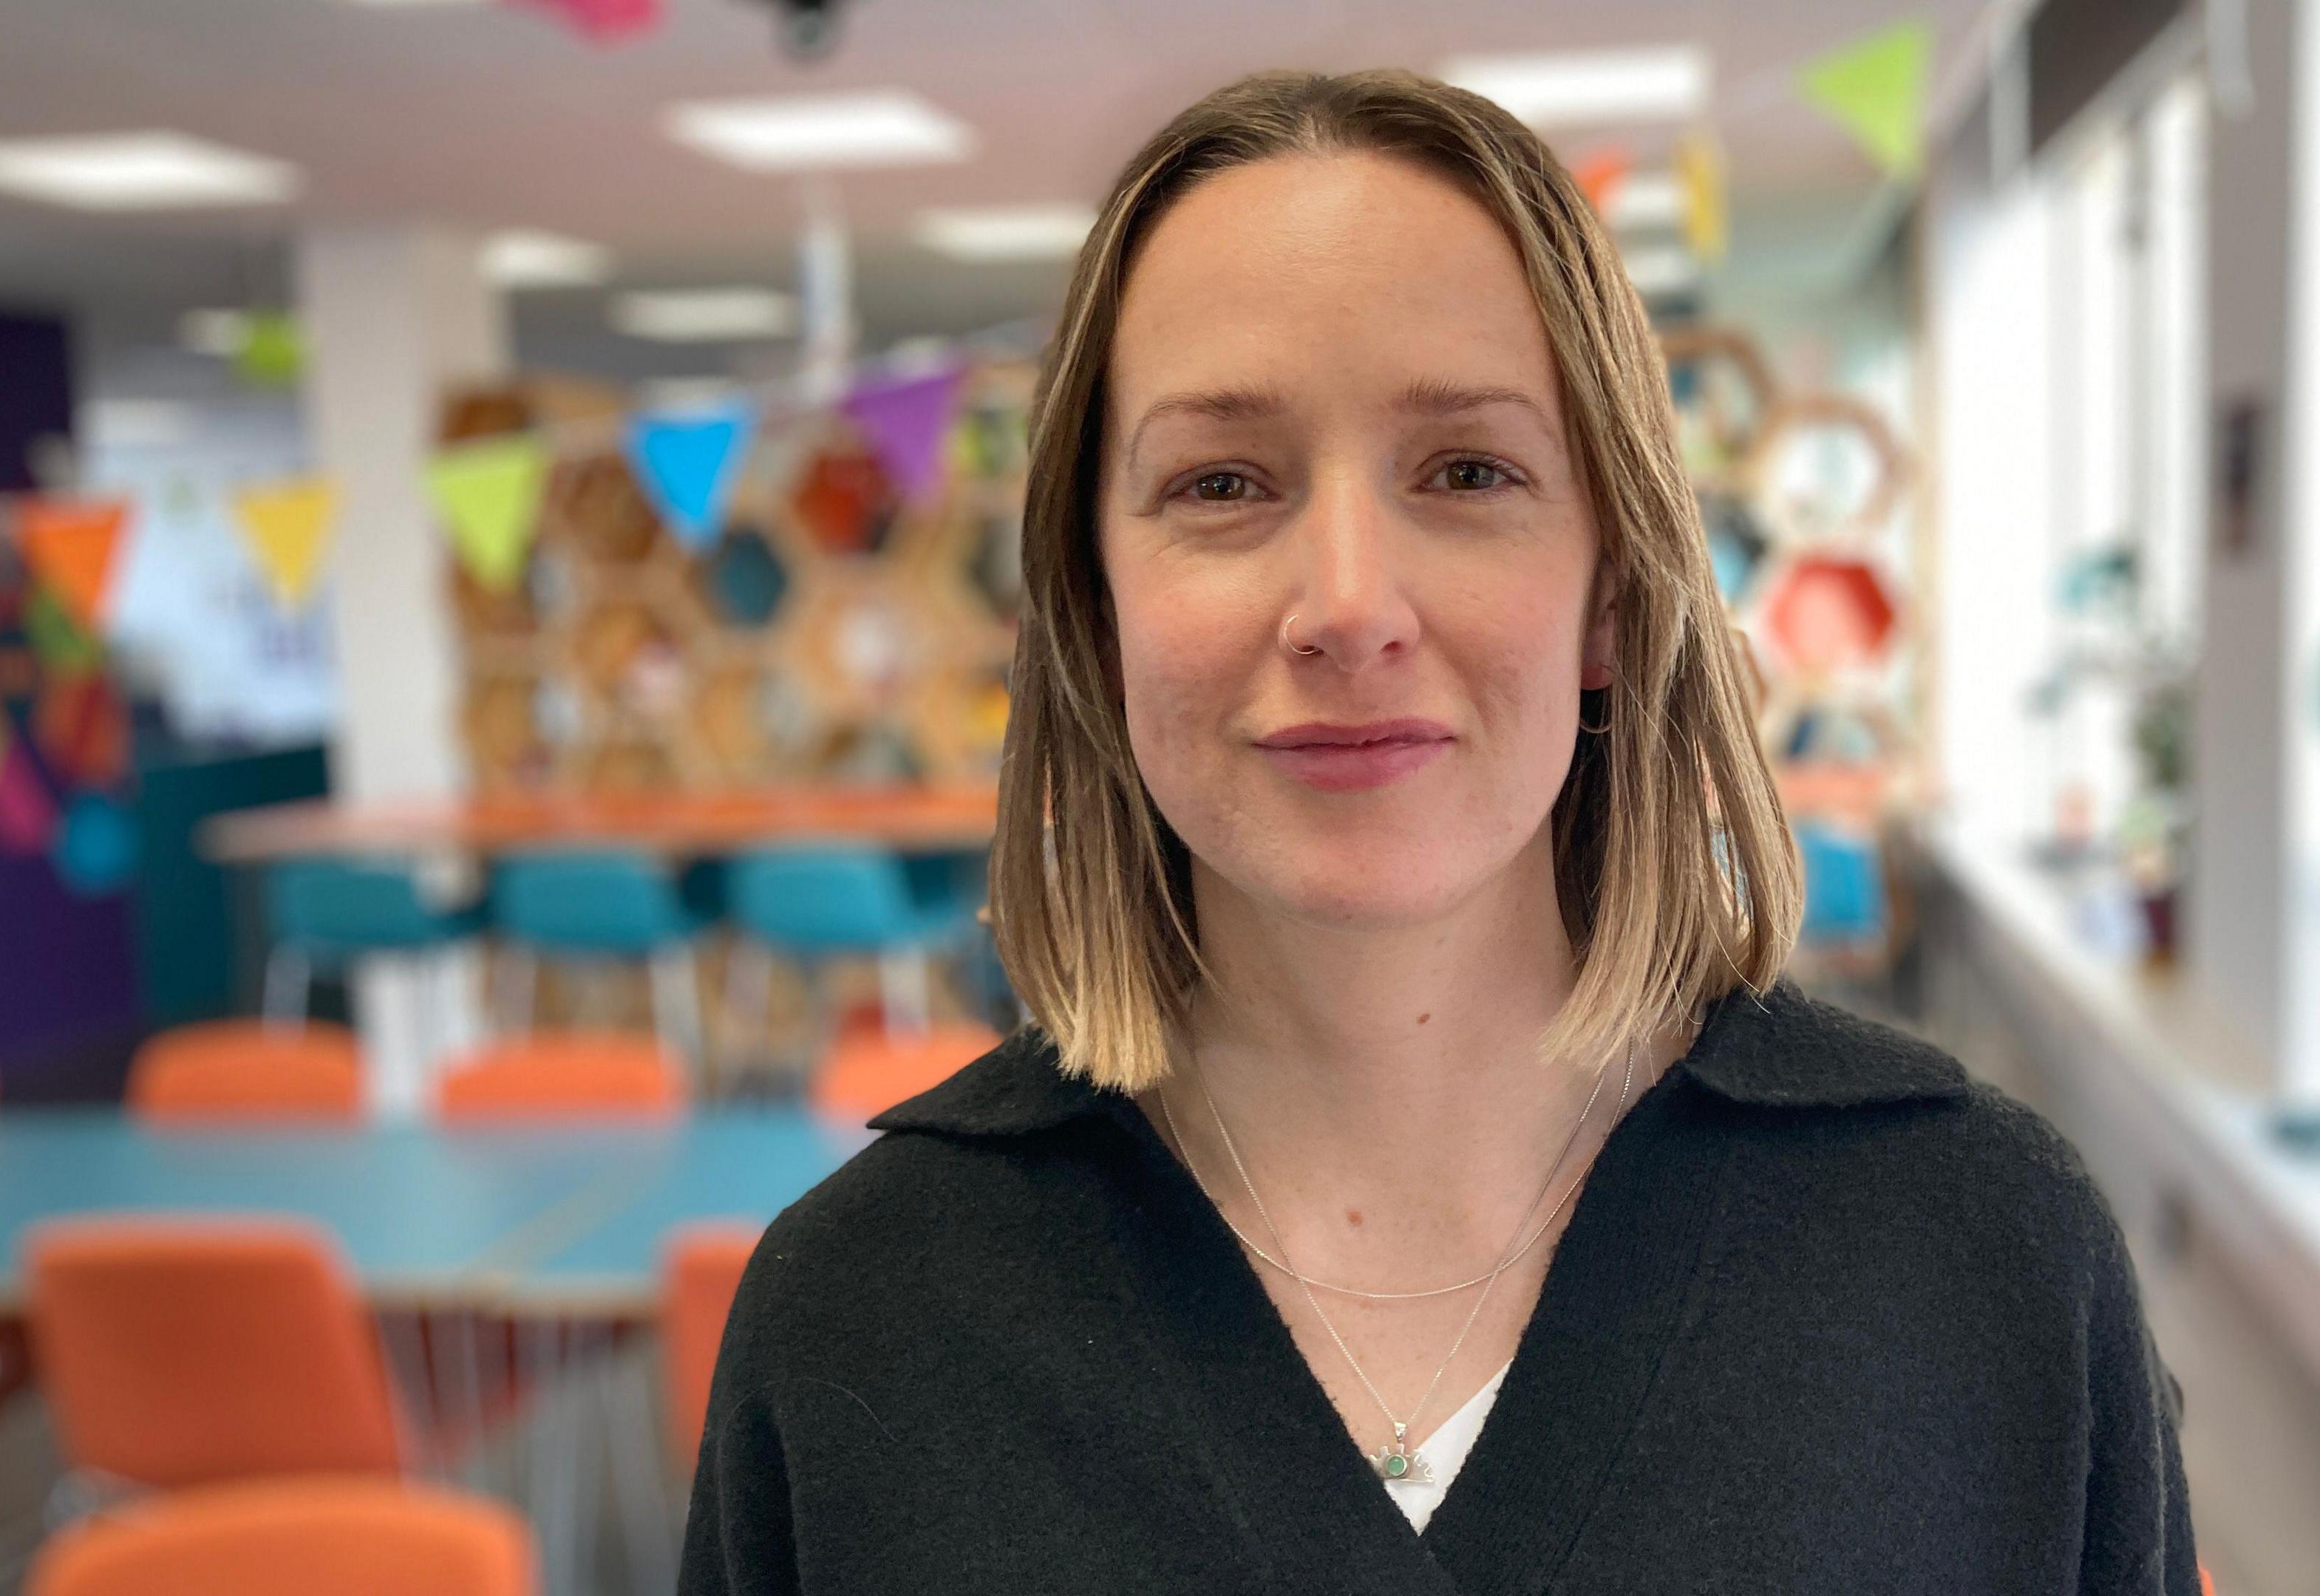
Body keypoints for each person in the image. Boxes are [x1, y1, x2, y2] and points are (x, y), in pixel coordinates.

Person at [681, 66, 2195, 1594]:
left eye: (1469, 471)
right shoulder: (859, 1324)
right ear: (1094, 605)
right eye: (1221, 482)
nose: (1348, 605)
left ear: (1613, 587)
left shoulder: (1981, 1256)